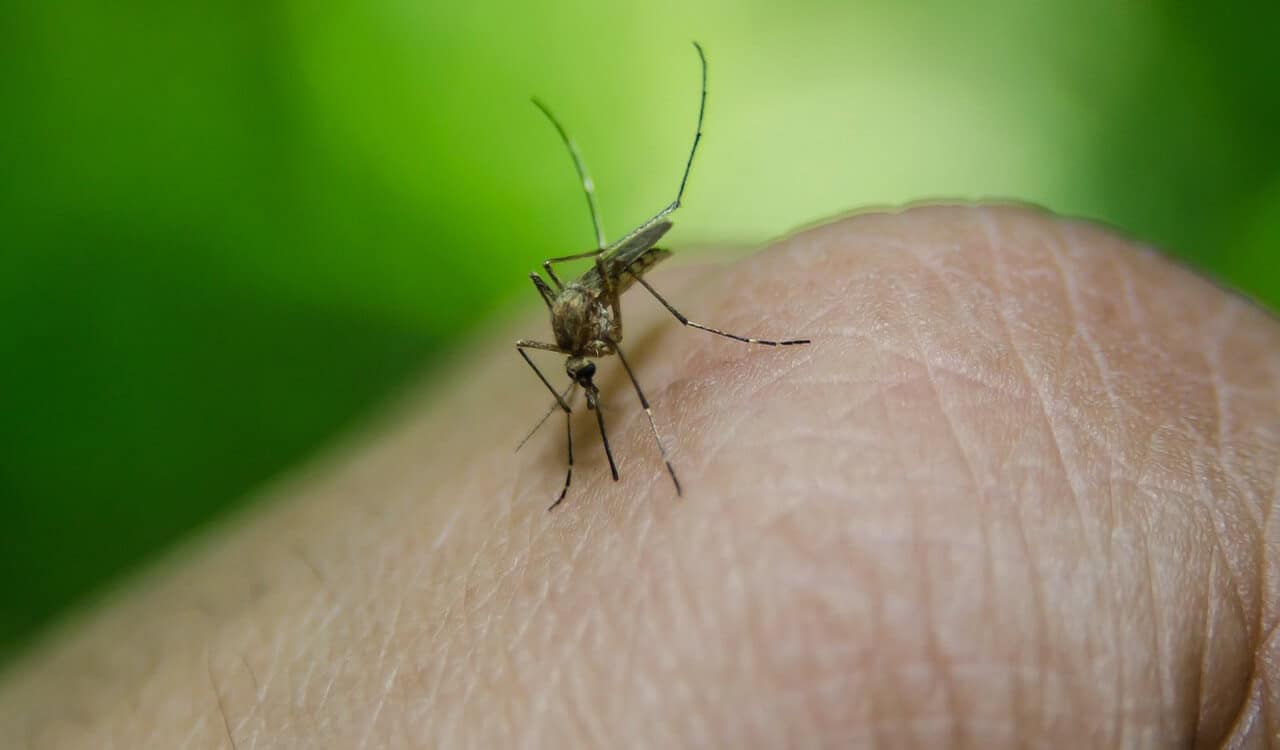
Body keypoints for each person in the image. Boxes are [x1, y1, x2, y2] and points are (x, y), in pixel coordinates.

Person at [0, 205, 1274, 747]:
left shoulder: (604, 300)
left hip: (632, 276)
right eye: (576, 338)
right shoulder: (561, 334)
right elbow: (557, 339)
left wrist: (661, 348)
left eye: (582, 333)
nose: (575, 346)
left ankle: (715, 347)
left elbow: (596, 307)